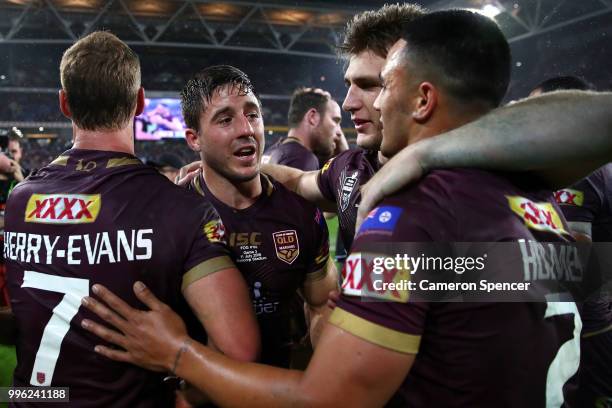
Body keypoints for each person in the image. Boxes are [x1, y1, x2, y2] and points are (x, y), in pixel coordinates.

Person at [80, 10, 585, 407]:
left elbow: (327, 398)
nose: (354, 101)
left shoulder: (412, 213)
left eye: (379, 83)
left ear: (422, 96)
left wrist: (176, 351)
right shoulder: (533, 192)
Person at [4, 31, 259, 407]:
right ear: (140, 102)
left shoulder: (19, 200)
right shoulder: (178, 208)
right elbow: (240, 348)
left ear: (64, 104)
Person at [180, 65, 337, 367]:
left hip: (281, 387)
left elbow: (321, 306)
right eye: (225, 119)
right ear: (194, 139)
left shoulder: (300, 213)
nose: (246, 130)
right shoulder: (174, 216)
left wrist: (322, 375)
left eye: (252, 115)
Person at [262, 87, 342, 171]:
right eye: (335, 121)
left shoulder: (272, 151)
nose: (339, 132)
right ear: (312, 117)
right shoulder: (303, 159)